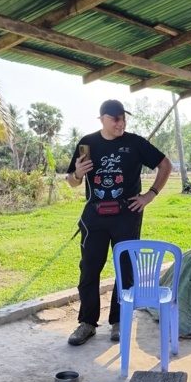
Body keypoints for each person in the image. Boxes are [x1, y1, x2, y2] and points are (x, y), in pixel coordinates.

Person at [66, 99, 173, 345]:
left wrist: (150, 195)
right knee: (89, 268)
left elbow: (165, 165)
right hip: (94, 216)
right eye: (115, 119)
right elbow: (71, 181)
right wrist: (78, 174)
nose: (120, 123)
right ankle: (87, 323)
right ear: (102, 119)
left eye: (123, 118)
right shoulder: (87, 143)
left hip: (127, 214)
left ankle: (119, 321)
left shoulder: (135, 143)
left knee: (125, 268)